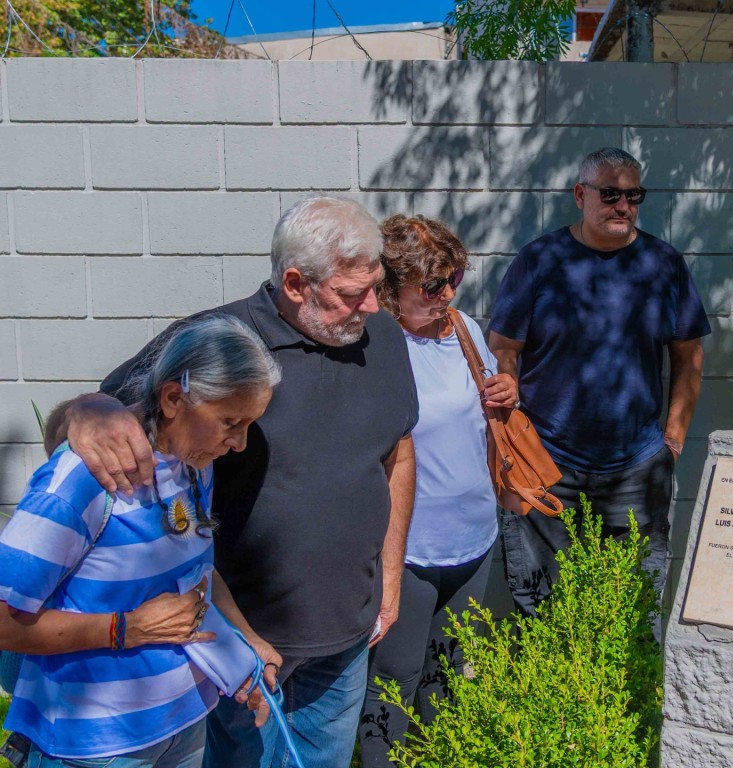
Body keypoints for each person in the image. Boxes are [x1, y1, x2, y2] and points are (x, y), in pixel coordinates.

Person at [53, 198, 419, 768]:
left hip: (346, 633)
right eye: (353, 293)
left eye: (376, 286)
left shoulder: (384, 339)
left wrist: (391, 577)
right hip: (231, 642)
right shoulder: (218, 342)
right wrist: (82, 412)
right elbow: (99, 418)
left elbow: (398, 451)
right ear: (296, 283)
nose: (372, 306)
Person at [0, 315, 282, 768]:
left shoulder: (194, 464)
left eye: (249, 423)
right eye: (231, 421)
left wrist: (248, 642)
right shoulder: (84, 478)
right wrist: (124, 629)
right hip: (95, 747)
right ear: (173, 398)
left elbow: (197, 575)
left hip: (184, 724)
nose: (241, 443)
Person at [488, 147, 712, 627]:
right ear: (580, 195)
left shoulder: (663, 263)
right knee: (542, 606)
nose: (623, 206)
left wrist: (671, 441)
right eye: (610, 194)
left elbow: (689, 358)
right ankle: (554, 698)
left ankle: (630, 700)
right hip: (546, 462)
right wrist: (508, 383)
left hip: (636, 468)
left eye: (633, 195)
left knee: (634, 612)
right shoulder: (539, 260)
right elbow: (505, 344)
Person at [357, 215, 518, 766]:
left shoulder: (466, 330)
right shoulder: (375, 345)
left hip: (473, 538)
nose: (448, 293)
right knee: (394, 680)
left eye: (455, 279)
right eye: (432, 285)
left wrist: (506, 390)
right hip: (409, 549)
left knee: (448, 678)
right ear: (389, 290)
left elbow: (485, 409)